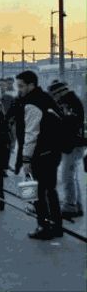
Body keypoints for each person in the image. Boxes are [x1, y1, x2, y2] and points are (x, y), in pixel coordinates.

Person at [17, 71, 63, 240]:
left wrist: (26, 158)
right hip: (53, 151)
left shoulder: (32, 104)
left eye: (21, 86)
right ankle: (57, 226)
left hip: (41, 153)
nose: (19, 89)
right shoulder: (45, 97)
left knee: (38, 192)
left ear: (31, 85)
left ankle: (43, 226)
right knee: (50, 190)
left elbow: (31, 133)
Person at [48, 82, 85, 219]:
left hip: (73, 145)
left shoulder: (70, 103)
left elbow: (69, 125)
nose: (54, 98)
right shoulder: (71, 101)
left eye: (55, 95)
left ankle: (70, 206)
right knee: (72, 176)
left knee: (67, 176)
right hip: (74, 144)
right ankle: (77, 205)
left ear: (60, 92)